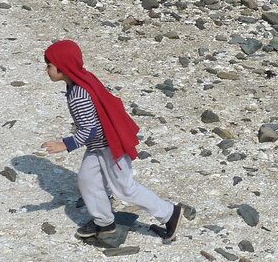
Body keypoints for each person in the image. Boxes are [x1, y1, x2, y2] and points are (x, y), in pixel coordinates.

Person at [40, 39, 182, 242]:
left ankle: (170, 213)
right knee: (87, 181)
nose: (46, 70)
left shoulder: (78, 95)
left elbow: (90, 130)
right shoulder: (82, 80)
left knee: (126, 189)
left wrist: (65, 144)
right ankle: (104, 223)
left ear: (63, 68)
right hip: (99, 146)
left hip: (111, 147)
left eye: (49, 66)